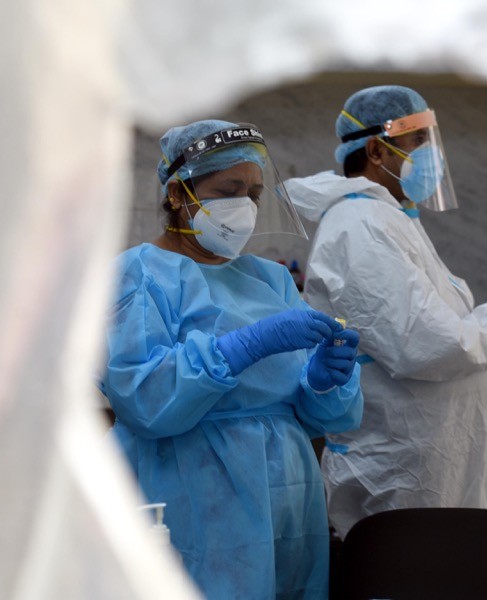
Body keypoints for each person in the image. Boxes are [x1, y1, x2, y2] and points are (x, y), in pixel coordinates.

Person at [283, 85, 487, 539]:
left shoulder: (389, 220)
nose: (432, 156)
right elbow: (424, 343)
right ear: (376, 149)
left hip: (421, 470)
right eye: (419, 143)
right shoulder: (361, 228)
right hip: (398, 475)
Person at [100, 119, 363, 599]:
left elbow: (323, 416)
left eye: (254, 194)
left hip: (288, 495)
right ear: (179, 194)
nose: (245, 205)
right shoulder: (138, 273)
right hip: (191, 493)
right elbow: (145, 400)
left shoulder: (270, 279)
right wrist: (240, 347)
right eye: (228, 189)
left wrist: (325, 382)